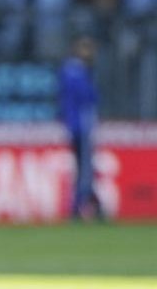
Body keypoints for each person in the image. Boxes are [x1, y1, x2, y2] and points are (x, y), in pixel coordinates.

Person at [59, 34, 104, 221]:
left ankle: (88, 205)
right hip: (82, 125)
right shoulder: (78, 71)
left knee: (82, 167)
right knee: (85, 168)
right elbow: (89, 96)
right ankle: (80, 206)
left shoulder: (69, 70)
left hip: (74, 125)